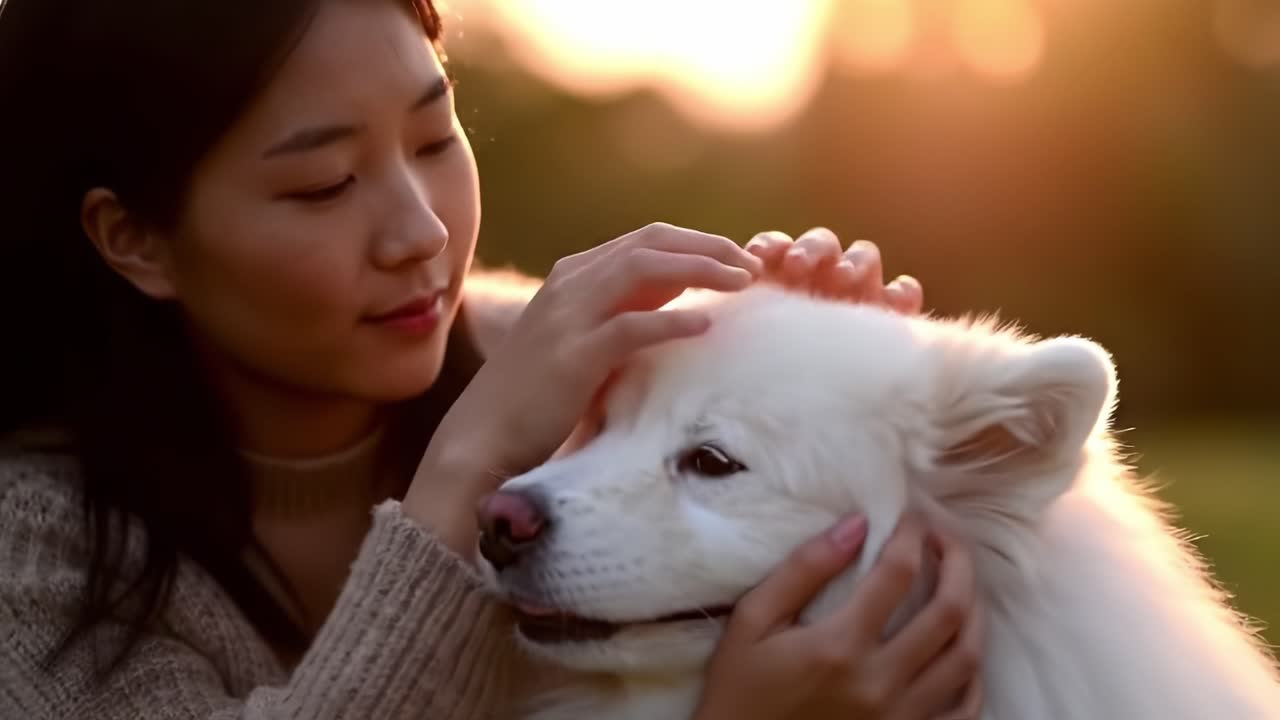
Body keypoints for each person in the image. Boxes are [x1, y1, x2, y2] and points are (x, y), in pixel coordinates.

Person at [0, 0, 983, 718]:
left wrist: (823, 379)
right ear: (134, 239)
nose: (420, 233)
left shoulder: (601, 360)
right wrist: (466, 471)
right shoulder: (30, 561)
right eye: (323, 184)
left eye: (433, 137)